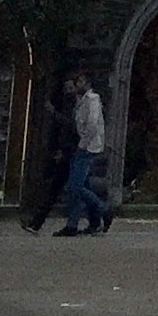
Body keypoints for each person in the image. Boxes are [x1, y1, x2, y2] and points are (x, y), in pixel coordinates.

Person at [58, 67, 112, 236]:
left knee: (75, 186)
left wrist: (83, 143)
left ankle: (103, 210)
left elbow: (92, 124)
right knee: (83, 184)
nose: (77, 84)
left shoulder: (92, 99)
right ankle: (82, 223)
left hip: (87, 148)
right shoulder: (80, 101)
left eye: (80, 81)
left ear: (88, 83)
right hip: (81, 146)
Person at [22, 79, 75, 233]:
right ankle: (99, 214)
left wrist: (54, 113)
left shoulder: (74, 105)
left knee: (57, 188)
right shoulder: (66, 103)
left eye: (71, 87)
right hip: (66, 151)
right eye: (66, 87)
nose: (68, 91)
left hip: (70, 152)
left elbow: (70, 126)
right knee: (77, 188)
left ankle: (36, 222)